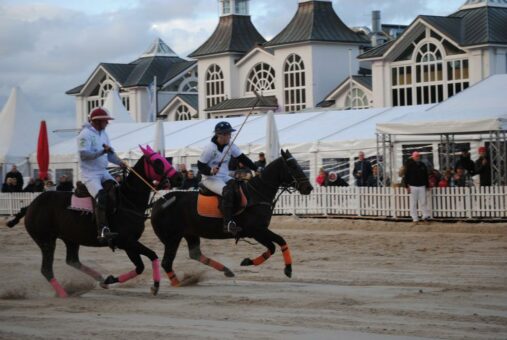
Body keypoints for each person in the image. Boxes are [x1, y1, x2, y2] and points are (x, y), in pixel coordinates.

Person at [198, 121, 256, 235]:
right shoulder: (209, 148)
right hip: (210, 179)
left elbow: (242, 158)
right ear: (220, 135)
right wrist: (210, 171)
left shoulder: (231, 146)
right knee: (228, 192)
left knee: (238, 187)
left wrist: (256, 168)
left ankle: (238, 217)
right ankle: (227, 223)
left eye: (230, 134)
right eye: (228, 134)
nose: (230, 136)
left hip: (224, 176)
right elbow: (200, 166)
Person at [77, 107, 126, 243]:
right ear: (97, 121)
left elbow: (110, 154)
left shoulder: (104, 134)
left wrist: (120, 162)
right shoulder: (84, 134)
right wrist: (102, 153)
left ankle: (116, 222)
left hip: (103, 171)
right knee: (102, 197)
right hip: (89, 174)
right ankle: (102, 230)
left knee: (117, 190)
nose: (107, 123)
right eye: (106, 121)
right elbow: (84, 155)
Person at [403, 151, 431, 225]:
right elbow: (406, 176)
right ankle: (415, 219)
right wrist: (407, 186)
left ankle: (425, 217)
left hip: (422, 185)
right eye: (416, 156)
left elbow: (426, 176)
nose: (418, 157)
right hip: (412, 186)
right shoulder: (409, 165)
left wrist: (427, 185)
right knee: (413, 203)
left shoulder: (422, 165)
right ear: (413, 157)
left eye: (418, 156)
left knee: (423, 202)